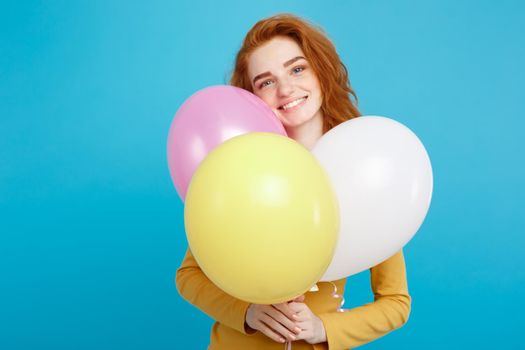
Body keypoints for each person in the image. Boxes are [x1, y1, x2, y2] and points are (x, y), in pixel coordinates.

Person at [176, 14, 411, 350]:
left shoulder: (362, 172)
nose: (285, 88)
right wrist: (248, 312)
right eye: (265, 81)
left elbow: (396, 302)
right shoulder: (240, 166)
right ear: (252, 97)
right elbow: (188, 276)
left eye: (297, 69)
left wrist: (322, 329)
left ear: (320, 71)